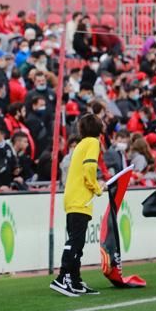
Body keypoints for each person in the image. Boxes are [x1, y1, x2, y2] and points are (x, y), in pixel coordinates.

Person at [52, 113, 104, 297]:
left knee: (77, 240)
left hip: (73, 197)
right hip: (80, 199)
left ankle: (75, 279)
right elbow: (89, 168)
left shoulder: (81, 144)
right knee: (75, 240)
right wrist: (96, 187)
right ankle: (63, 276)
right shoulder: (92, 143)